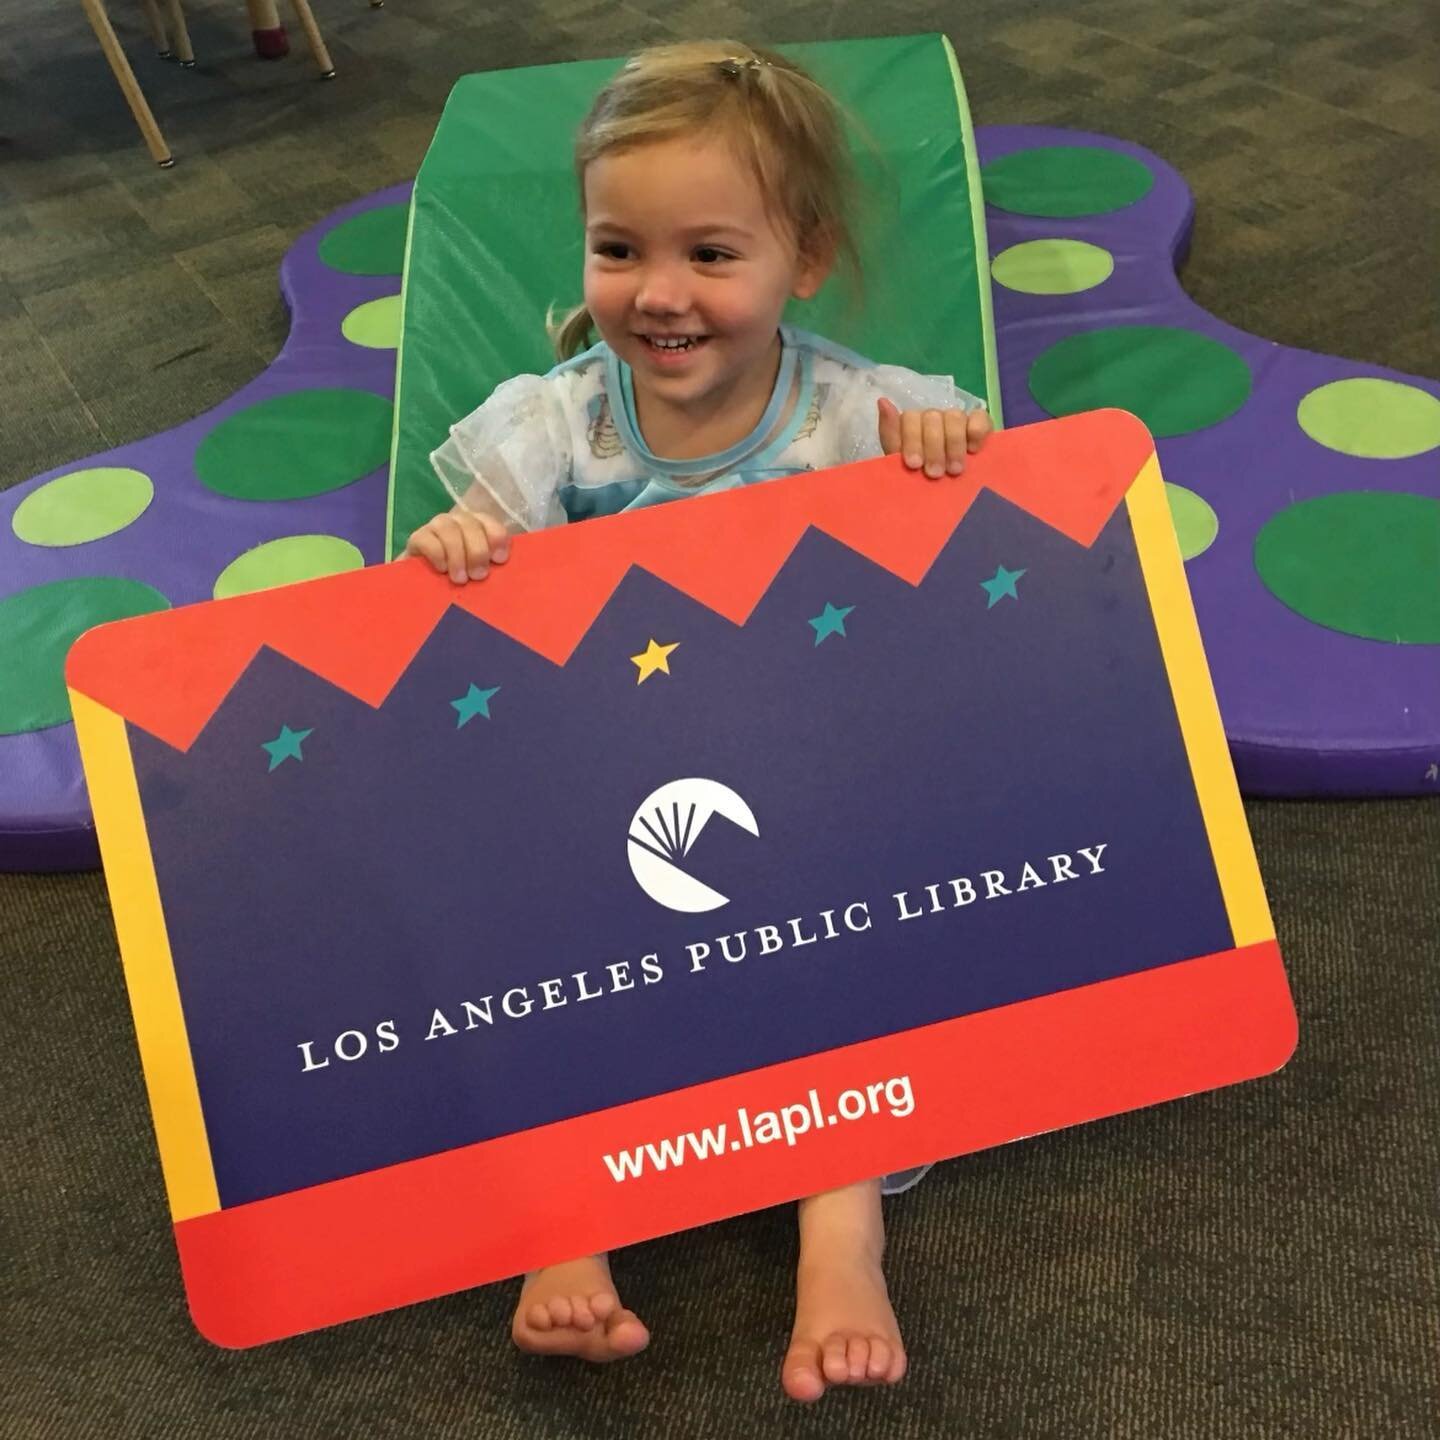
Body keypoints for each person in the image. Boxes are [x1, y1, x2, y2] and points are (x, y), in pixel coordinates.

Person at [405, 39, 992, 1401]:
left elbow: (975, 531)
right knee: (536, 955)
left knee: (846, 950)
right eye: (619, 249)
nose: (657, 295)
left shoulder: (856, 413)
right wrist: (459, 546)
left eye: (712, 256)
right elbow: (463, 614)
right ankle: (568, 1221)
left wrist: (941, 462)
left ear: (808, 259)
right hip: (608, 800)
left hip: (808, 797)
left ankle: (839, 1234)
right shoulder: (556, 431)